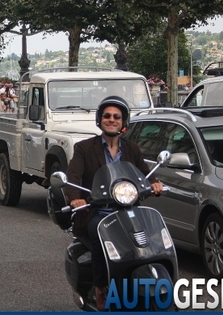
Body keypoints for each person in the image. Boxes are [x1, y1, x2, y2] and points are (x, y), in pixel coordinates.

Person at [64, 96, 163, 310]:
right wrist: (75, 198)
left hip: (128, 210)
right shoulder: (84, 148)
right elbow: (73, 177)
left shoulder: (132, 149)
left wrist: (154, 184)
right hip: (96, 212)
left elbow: (145, 174)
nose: (111, 120)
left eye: (116, 117)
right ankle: (101, 289)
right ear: (100, 120)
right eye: (107, 116)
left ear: (123, 122)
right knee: (102, 238)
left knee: (152, 237)